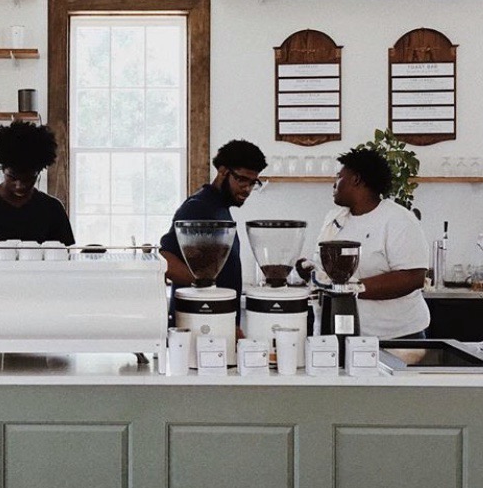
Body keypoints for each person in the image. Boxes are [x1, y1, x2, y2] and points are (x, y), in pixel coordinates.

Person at [299, 147, 430, 339]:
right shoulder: (335, 219)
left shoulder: (398, 219)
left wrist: (352, 288)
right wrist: (310, 271)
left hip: (396, 337)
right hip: (343, 332)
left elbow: (413, 277)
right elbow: (327, 273)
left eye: (339, 177)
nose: (334, 184)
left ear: (356, 179)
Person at [159, 139, 267, 322]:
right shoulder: (199, 207)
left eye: (253, 183)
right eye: (242, 180)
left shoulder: (220, 208)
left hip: (217, 320)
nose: (247, 189)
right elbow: (165, 260)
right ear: (223, 171)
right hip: (199, 320)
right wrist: (202, 283)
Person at [0, 120, 76, 246]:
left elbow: (65, 254)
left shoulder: (52, 209)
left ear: (39, 172)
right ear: (2, 169)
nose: (19, 185)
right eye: (12, 177)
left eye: (28, 178)